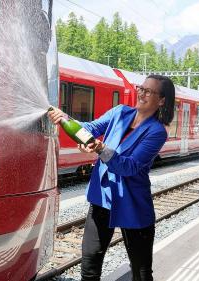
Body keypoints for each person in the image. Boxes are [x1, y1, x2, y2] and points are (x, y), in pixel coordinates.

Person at [48, 75, 175, 281]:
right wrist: (66, 119)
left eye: (148, 91)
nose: (141, 93)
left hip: (132, 204)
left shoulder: (156, 131)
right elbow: (90, 128)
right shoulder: (120, 112)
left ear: (161, 100)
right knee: (89, 263)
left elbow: (130, 166)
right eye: (141, 88)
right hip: (102, 198)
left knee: (141, 272)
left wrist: (100, 148)